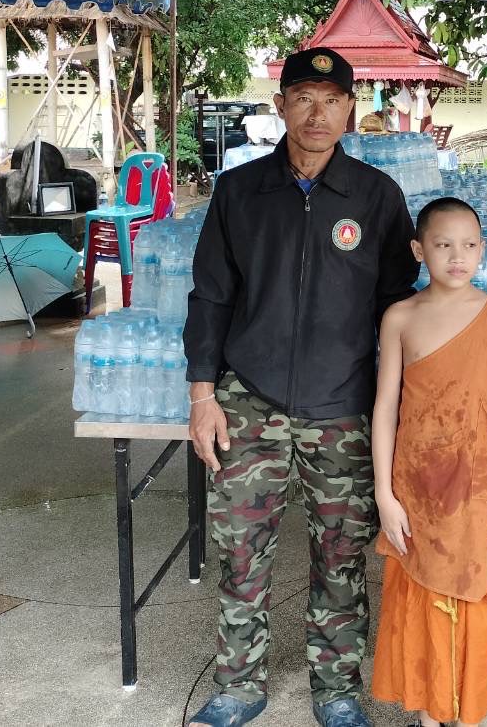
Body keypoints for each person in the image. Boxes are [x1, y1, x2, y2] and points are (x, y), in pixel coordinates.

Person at [183, 47, 419, 727]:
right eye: (304, 98)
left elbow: (398, 309)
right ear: (280, 103)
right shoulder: (238, 193)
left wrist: (397, 409)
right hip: (248, 403)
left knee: (342, 558)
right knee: (239, 552)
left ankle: (337, 688)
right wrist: (203, 397)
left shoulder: (377, 198)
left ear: (350, 108)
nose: (317, 113)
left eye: (332, 99)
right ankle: (238, 684)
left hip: (343, 407)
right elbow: (210, 297)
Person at [370, 197, 487, 727]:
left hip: (480, 488)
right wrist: (384, 494)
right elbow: (385, 408)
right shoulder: (400, 317)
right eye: (443, 245)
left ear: (483, 250)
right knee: (420, 593)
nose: (457, 257)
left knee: (473, 594)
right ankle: (430, 708)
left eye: (468, 245)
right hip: (416, 487)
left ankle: (465, 713)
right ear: (420, 251)